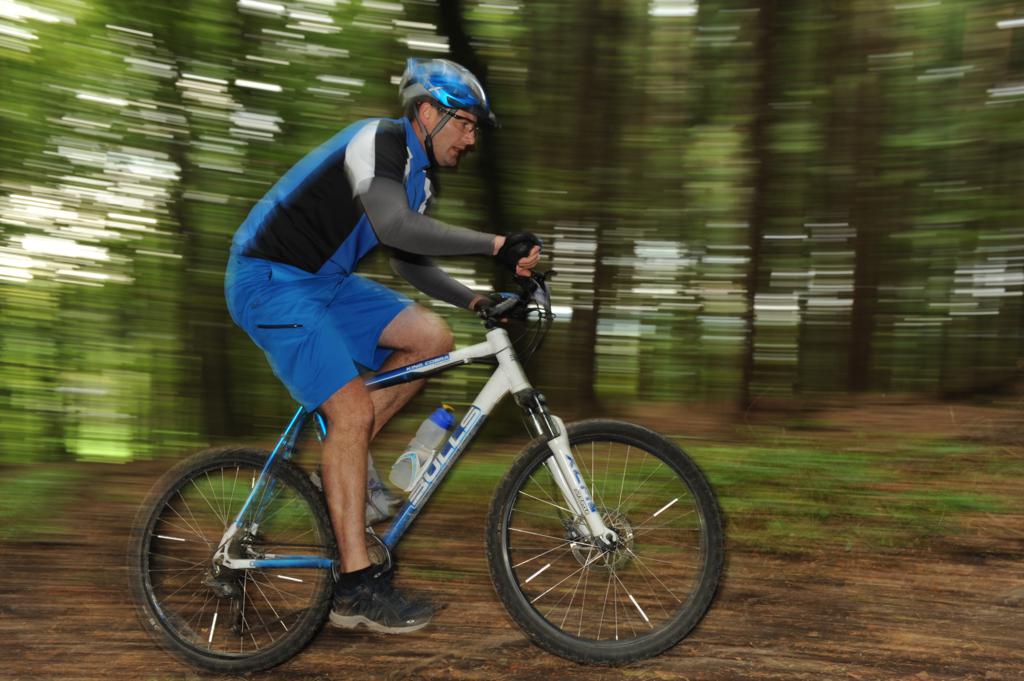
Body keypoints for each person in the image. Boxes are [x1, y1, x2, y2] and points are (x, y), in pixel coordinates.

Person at [224, 58, 542, 634]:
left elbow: (408, 260)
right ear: (428, 112)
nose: (471, 139)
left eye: (474, 128)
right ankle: (355, 587)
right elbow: (395, 227)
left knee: (431, 338)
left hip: (324, 284)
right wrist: (497, 244)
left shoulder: (419, 179)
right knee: (349, 413)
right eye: (465, 123)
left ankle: (343, 464)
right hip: (268, 279)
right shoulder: (379, 141)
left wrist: (475, 300)